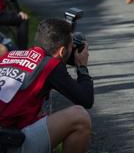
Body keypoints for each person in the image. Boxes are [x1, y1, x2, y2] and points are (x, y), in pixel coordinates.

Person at [0, 18, 94, 153]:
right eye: (70, 46)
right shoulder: (50, 65)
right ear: (62, 51)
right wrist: (82, 67)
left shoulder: (8, 55)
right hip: (7, 142)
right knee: (80, 117)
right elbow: (86, 99)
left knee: (42, 116)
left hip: (6, 133)